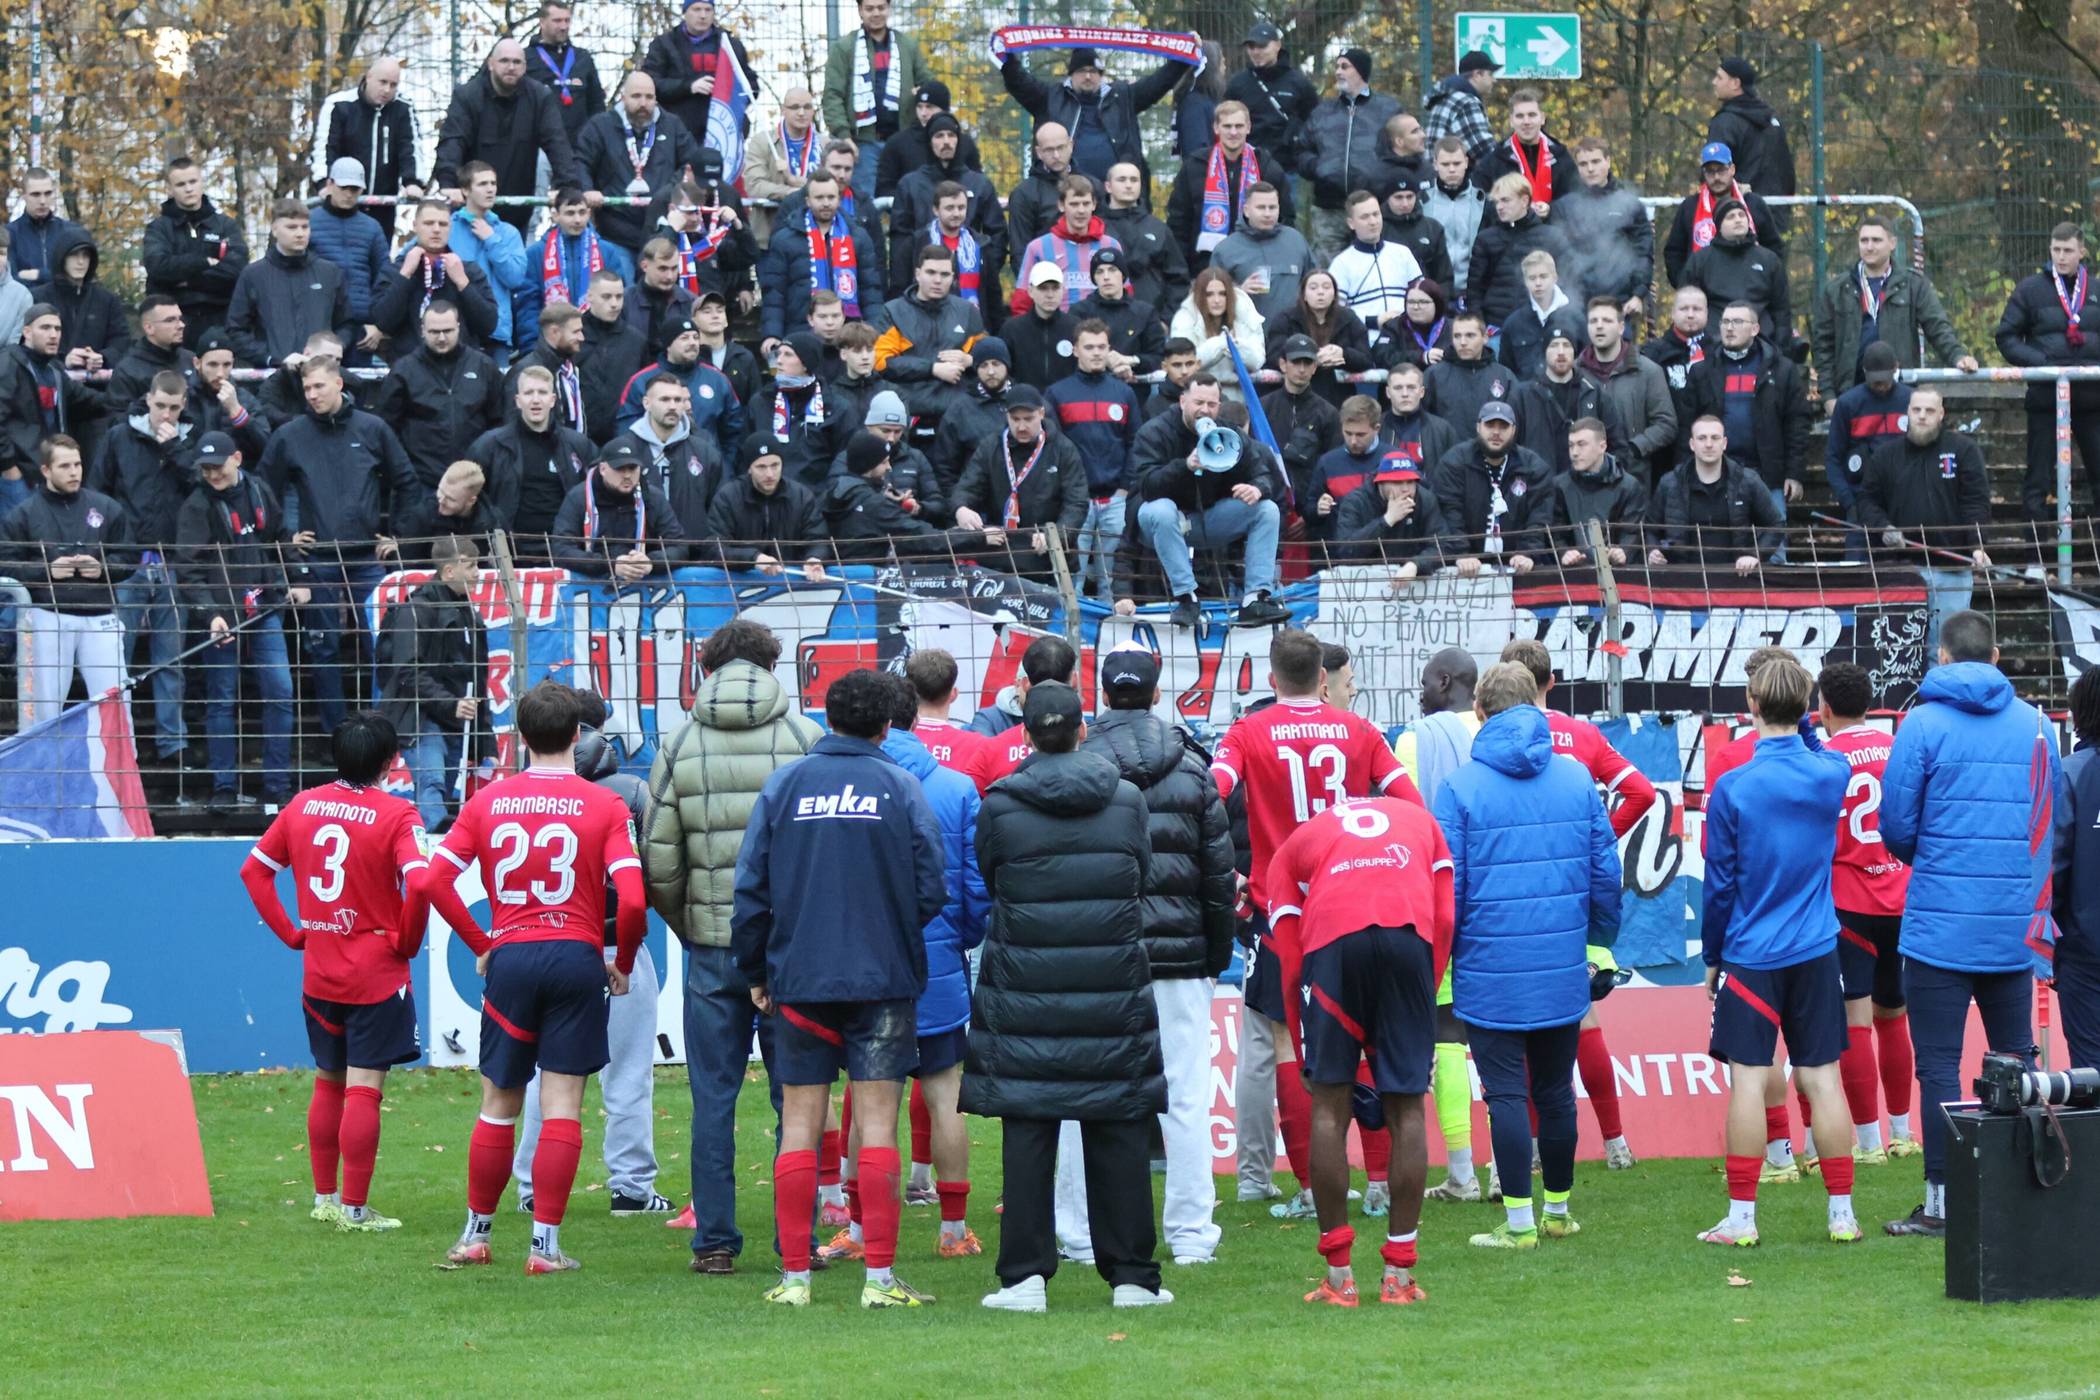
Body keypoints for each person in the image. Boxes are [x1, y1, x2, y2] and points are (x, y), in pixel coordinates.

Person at [725, 666, 945, 1308]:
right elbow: (932, 884)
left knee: (799, 1121)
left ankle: (794, 1278)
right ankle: (879, 1280)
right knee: (877, 1123)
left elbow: (750, 891)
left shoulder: (784, 785)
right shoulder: (901, 786)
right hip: (881, 979)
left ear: (826, 715)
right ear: (885, 725)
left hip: (800, 978)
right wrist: (889, 931)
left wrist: (756, 971)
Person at [417, 681, 647, 1274]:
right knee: (564, 1103)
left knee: (499, 1104)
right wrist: (620, 962)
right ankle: (544, 1246)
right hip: (576, 956)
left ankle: (476, 1235)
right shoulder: (606, 806)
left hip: (513, 958)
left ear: (520, 737)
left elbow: (432, 881)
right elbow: (636, 900)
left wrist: (483, 944)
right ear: (578, 735)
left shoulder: (488, 801)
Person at [968, 682, 1172, 1313]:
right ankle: (1133, 1277)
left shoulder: (1001, 804)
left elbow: (992, 875)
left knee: (1029, 1128)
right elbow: (1141, 871)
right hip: (1111, 983)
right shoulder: (1128, 800)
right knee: (1119, 1128)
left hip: (1026, 988)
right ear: (1084, 730)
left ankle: (1025, 1278)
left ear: (1025, 735)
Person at [1211, 629, 1424, 1222]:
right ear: (1324, 680)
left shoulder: (1248, 732)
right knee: (1369, 1036)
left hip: (1284, 909)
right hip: (1355, 898)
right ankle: (1380, 1181)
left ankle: (1309, 1188)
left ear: (1273, 680)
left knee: (1288, 1041)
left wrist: (1224, 871)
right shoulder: (1360, 732)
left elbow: (1211, 793)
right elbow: (1411, 804)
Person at [636, 618, 819, 1268]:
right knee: (795, 1093)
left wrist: (691, 926)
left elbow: (658, 858)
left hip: (712, 947)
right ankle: (798, 1238)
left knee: (713, 1096)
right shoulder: (804, 738)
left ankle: (714, 1241)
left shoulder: (681, 744)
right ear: (772, 663)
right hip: (788, 950)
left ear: (708, 665)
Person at [1881, 610, 2062, 1237]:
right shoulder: (2040, 725)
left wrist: (1937, 859)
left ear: (1942, 657)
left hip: (1938, 928)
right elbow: (2049, 822)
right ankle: (2017, 1192)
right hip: (2014, 928)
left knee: (1937, 1066)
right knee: (2017, 1061)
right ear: (1997, 654)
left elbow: (1896, 826)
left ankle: (1941, 1202)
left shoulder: (1922, 723)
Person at [1430, 662, 1619, 1250]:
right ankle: (1557, 1210)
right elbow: (1605, 873)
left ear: (1481, 714)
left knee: (1507, 1095)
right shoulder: (1575, 778)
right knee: (1556, 1092)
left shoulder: (1460, 787)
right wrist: (1600, 937)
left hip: (1488, 968)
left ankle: (1519, 1224)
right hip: (1560, 965)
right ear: (1536, 707)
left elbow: (1446, 890)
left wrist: (1443, 956)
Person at [1075, 644, 1235, 1266]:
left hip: (1100, 955)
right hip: (1178, 958)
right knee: (1188, 1096)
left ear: (1104, 694)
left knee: (1081, 1096)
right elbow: (1217, 877)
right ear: (1157, 692)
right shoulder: (1193, 767)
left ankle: (1081, 1234)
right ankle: (1191, 1236)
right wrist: (1211, 957)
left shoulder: (1079, 763)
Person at [239, 711, 428, 1232]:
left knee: (328, 1082)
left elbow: (254, 870)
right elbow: (422, 883)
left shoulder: (303, 804)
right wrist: (407, 942)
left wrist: (292, 933)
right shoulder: (398, 815)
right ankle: (356, 1209)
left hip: (320, 973)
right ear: (391, 762)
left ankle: (325, 1199)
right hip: (374, 974)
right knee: (365, 1087)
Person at [1697, 654, 1859, 1246]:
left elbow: (1719, 884)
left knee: (1747, 1080)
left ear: (1753, 706)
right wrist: (1804, 717)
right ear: (1808, 708)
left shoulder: (1733, 787)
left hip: (1752, 952)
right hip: (1817, 950)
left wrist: (1712, 955)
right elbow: (1817, 746)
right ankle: (1842, 1215)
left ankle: (1742, 1220)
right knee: (1822, 1079)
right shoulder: (1829, 772)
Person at [1269, 787, 1450, 1306]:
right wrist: (1422, 997)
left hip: (1332, 946)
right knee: (1407, 1107)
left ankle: (1339, 1278)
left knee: (1329, 1106)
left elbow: (1287, 950)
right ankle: (1398, 1275)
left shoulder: (1303, 837)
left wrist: (1306, 1047)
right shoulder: (1420, 821)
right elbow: (1444, 920)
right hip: (1409, 942)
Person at [1498, 637, 1657, 1170]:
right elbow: (1642, 792)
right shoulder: (1580, 734)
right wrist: (1598, 840)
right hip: (1576, 887)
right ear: (1550, 683)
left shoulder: (1494, 739)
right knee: (1580, 1013)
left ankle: (1539, 1151)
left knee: (1519, 1020)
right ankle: (1616, 1143)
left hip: (1519, 886)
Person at [865, 673, 990, 1257]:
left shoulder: (848, 787)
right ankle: (952, 1230)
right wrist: (956, 941)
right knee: (945, 1094)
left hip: (864, 963)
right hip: (935, 956)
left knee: (868, 1099)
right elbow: (971, 887)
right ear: (911, 720)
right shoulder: (957, 786)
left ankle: (863, 1230)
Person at [266, 356, 419, 730]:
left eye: (319, 386)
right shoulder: (290, 434)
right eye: (306, 389)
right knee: (323, 648)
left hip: (366, 554)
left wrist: (397, 535)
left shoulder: (373, 428)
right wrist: (286, 538)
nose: (312, 395)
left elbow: (408, 481)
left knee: (379, 646)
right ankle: (338, 735)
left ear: (339, 384)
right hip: (317, 557)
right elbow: (263, 491)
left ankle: (381, 730)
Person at [1816, 661, 1921, 1162]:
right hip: (1901, 898)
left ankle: (1869, 1142)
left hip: (1850, 902)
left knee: (1855, 1018)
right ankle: (1903, 1133)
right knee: (1894, 1013)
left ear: (1825, 708)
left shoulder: (1825, 757)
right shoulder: (1898, 748)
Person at [174, 432, 301, 806]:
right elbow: (188, 568)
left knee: (280, 692)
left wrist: (293, 578)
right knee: (221, 700)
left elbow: (278, 538)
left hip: (264, 609)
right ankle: (224, 787)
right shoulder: (196, 506)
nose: (212, 474)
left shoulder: (260, 490)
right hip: (223, 618)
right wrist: (210, 613)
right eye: (206, 468)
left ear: (238, 459)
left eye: (217, 466)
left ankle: (277, 785)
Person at [1124, 375, 1290, 630]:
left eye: (1211, 404)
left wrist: (1257, 488)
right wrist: (1184, 466)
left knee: (1266, 510)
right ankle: (1186, 598)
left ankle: (1254, 599)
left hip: (1206, 519)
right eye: (1198, 402)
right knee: (1162, 509)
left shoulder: (1229, 433)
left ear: (1219, 407)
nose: (1205, 410)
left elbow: (1264, 471)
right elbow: (1146, 486)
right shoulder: (1155, 431)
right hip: (1162, 523)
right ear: (1182, 401)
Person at [91, 370, 195, 772]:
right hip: (128, 562)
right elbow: (98, 492)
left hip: (172, 563)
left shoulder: (189, 441)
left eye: (174, 407)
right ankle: (118, 743)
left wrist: (176, 453)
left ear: (183, 404)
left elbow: (201, 490)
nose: (166, 415)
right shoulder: (119, 436)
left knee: (172, 661)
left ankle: (173, 745)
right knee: (118, 658)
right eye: (160, 406)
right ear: (147, 399)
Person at [3, 434, 135, 730]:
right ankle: (43, 775)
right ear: (46, 470)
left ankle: (119, 775)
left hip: (100, 616)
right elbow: (7, 563)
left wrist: (103, 568)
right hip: (48, 615)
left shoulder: (108, 507)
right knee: (44, 706)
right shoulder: (22, 514)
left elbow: (129, 556)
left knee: (115, 702)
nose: (74, 472)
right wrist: (46, 571)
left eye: (77, 464)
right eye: (64, 466)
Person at [1856, 387, 1992, 658]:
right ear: (1907, 412)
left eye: (1929, 411)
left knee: (1947, 651)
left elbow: (1975, 502)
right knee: (1900, 652)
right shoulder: (1885, 455)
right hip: (1901, 572)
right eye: (1916, 410)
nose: (1921, 416)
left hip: (1952, 569)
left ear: (1941, 414)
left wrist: (1977, 545)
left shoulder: (1964, 451)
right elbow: (1867, 501)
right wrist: (1883, 527)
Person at [377, 535, 493, 829]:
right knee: (433, 784)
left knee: (440, 788)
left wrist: (485, 737)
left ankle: (433, 849)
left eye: (477, 564)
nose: (477, 572)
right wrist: (451, 704)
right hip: (420, 716)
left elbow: (478, 678)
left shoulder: (470, 614)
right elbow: (407, 671)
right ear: (449, 571)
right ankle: (434, 854)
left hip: (455, 719)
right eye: (470, 565)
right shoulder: (416, 610)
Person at [1996, 221, 2100, 535]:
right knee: (2038, 479)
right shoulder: (2030, 288)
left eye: (2068, 250)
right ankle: (2035, 561)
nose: (2061, 256)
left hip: (2092, 399)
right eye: (2056, 250)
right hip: (2046, 398)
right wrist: (2043, 364)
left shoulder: (2096, 289)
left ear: (2081, 251)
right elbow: (2006, 337)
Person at [1686, 301, 1811, 547]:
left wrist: (1794, 474)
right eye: (1725, 322)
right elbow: (1687, 427)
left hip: (1769, 477)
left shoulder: (1783, 370)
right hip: (1716, 477)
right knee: (1719, 554)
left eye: (1737, 322)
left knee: (1774, 555)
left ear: (1755, 329)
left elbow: (1797, 424)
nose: (1729, 328)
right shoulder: (1702, 371)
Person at [1812, 219, 1974, 406]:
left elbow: (1937, 327)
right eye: (1864, 241)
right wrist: (1829, 397)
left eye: (1876, 240)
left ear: (1892, 243)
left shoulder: (1913, 285)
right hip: (1850, 393)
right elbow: (1823, 346)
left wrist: (1958, 356)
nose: (1869, 247)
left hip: (1899, 391)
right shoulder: (1837, 289)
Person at [432, 39, 582, 235]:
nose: (511, 67)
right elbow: (453, 141)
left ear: (525, 66)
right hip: (469, 206)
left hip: (517, 206)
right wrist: (448, 182)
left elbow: (557, 143)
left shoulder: (539, 97)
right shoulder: (467, 95)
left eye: (517, 62)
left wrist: (567, 186)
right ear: (491, 63)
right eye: (504, 61)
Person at [997, 43, 1183, 188]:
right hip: (1060, 193)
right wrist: (1006, 55)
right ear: (1071, 74)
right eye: (1082, 71)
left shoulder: (1123, 97)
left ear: (1101, 75)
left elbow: (1159, 82)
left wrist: (1183, 56)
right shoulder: (1050, 97)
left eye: (1093, 71)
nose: (1088, 76)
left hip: (1116, 197)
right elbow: (1018, 81)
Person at [951, 384, 1087, 582]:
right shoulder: (991, 446)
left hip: (1047, 559)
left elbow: (1077, 503)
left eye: (1028, 419)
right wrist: (960, 508)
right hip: (999, 558)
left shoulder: (1063, 449)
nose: (1021, 427)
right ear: (1006, 416)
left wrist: (1055, 536)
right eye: (1015, 419)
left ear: (1041, 414)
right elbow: (968, 485)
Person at [1047, 322, 1141, 600]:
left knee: (1112, 583)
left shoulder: (1124, 393)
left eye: (1102, 347)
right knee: (1071, 582)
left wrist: (1124, 488)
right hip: (1076, 501)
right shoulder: (1057, 393)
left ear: (1110, 349)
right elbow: (1055, 448)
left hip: (1115, 499)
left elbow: (1136, 442)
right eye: (1089, 347)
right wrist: (1070, 491)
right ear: (1075, 350)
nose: (1096, 353)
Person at [574, 72, 704, 263]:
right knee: (621, 290)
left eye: (649, 97)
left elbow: (691, 163)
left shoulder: (672, 125)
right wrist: (587, 190)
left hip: (661, 230)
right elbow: (581, 161)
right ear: (623, 97)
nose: (643, 103)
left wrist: (669, 192)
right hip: (616, 232)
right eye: (636, 96)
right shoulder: (600, 126)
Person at [376, 302, 507, 488]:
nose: (442, 337)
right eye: (434, 332)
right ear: (422, 330)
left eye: (448, 330)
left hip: (475, 480)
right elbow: (386, 429)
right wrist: (404, 474)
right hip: (420, 483)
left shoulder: (484, 366)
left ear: (458, 328)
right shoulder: (404, 371)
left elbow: (500, 423)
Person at [224, 198, 358, 371]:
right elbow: (235, 329)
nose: (300, 233)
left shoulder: (330, 273)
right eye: (292, 227)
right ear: (274, 229)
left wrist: (330, 352)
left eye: (305, 227)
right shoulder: (253, 275)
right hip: (273, 375)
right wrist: (270, 358)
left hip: (322, 374)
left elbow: (347, 324)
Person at [1425, 400, 1554, 577]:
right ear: (1478, 427)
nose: (1496, 432)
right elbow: (1449, 511)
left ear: (1514, 430)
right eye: (1489, 425)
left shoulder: (1534, 467)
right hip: (1464, 568)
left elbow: (1539, 516)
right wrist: (1461, 554)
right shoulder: (1454, 463)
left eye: (1503, 426)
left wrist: (1528, 553)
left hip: (1517, 568)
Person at [468, 364, 591, 541]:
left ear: (553, 400)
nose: (535, 400)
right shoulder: (489, 446)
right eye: (528, 393)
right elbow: (473, 499)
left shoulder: (578, 445)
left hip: (564, 550)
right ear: (518, 400)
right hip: (512, 552)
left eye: (542, 392)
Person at [758, 172, 881, 346]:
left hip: (850, 336)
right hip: (800, 333)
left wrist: (874, 329)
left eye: (831, 197)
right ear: (807, 201)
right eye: (819, 197)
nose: (826, 203)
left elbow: (871, 290)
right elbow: (774, 293)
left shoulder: (858, 237)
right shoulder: (784, 240)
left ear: (839, 199)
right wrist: (772, 334)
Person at [1300, 50, 1400, 262]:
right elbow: (1302, 149)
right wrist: (1318, 167)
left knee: (1373, 265)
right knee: (1328, 274)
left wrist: (1383, 178)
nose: (1338, 72)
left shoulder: (1388, 110)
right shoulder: (1322, 112)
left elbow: (1400, 150)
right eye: (1336, 67)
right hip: (1328, 207)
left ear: (1361, 71)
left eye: (1345, 67)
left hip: (1372, 207)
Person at [1649, 414, 1783, 572]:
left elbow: (1776, 524)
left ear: (1724, 443)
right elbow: (1650, 528)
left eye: (1715, 437)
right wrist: (1652, 551)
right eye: (1701, 438)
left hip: (1736, 578)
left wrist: (1755, 555)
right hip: (1682, 579)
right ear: (1692, 444)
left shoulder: (1748, 481)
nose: (1708, 444)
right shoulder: (1669, 483)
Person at [888, 135, 1006, 311]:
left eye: (961, 208)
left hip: (973, 323)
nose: (956, 213)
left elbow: (992, 293)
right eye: (950, 208)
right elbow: (900, 286)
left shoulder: (980, 245)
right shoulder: (917, 243)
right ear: (936, 210)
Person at [820, 0, 923, 201]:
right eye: (869, 8)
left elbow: (927, 83)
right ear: (860, 10)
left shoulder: (907, 46)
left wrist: (921, 93)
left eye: (881, 8)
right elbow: (832, 96)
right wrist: (844, 136)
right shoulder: (844, 48)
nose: (876, 13)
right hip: (862, 144)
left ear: (889, 9)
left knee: (908, 202)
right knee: (863, 204)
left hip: (903, 140)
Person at [1167, 102, 1291, 269]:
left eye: (1239, 126)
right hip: (1205, 267)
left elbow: (1286, 220)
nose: (1233, 132)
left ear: (1248, 127)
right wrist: (1182, 273)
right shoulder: (1194, 167)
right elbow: (1178, 222)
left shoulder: (1267, 168)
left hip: (1256, 265)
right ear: (1216, 128)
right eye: (1227, 126)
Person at [142, 156, 250, 347]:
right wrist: (206, 262)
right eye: (181, 184)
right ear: (170, 189)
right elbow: (158, 267)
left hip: (221, 320)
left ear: (202, 182)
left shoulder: (226, 226)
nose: (189, 188)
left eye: (193, 181)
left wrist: (187, 279)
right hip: (174, 323)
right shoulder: (158, 229)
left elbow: (236, 270)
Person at [871, 243, 985, 421]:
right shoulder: (893, 311)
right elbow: (882, 363)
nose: (938, 280)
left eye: (944, 274)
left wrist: (971, 360)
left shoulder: (968, 311)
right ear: (918, 274)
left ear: (953, 278)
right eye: (931, 272)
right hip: (908, 410)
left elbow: (991, 360)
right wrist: (932, 369)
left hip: (957, 414)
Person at [641, 0, 755, 174]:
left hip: (722, 134)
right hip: (676, 133)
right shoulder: (664, 44)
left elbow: (751, 87)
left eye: (708, 9)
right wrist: (688, 87)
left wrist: (727, 92)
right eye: (697, 9)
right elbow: (650, 84)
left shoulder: (731, 46)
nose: (703, 15)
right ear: (685, 12)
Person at [374, 200, 502, 353]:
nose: (436, 229)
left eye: (443, 224)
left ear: (450, 227)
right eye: (429, 223)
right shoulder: (394, 271)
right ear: (415, 226)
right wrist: (405, 275)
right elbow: (382, 322)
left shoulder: (469, 271)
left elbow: (488, 325)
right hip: (409, 369)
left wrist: (463, 283)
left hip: (460, 367)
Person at [550, 437, 687, 578]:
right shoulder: (578, 497)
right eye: (620, 468)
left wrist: (652, 562)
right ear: (603, 469)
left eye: (632, 468)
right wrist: (608, 564)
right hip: (591, 589)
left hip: (644, 588)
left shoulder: (653, 498)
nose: (627, 475)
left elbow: (679, 546)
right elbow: (561, 549)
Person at [2053, 669, 2100, 1074]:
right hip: (2083, 950)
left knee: (2091, 1072)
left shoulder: (2071, 772)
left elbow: (2054, 866)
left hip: (2086, 953)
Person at [319, 57, 423, 238]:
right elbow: (325, 147)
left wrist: (412, 182)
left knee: (378, 259)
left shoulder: (403, 108)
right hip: (342, 200)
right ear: (368, 77)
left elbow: (410, 147)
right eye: (383, 82)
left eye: (393, 85)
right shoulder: (339, 105)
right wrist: (323, 182)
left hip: (384, 205)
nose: (387, 90)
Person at [1575, 298, 1673, 488]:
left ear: (1621, 327)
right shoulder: (1575, 373)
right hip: (1581, 481)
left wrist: (1635, 448)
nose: (1599, 327)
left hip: (1632, 479)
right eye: (1593, 321)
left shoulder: (1648, 371)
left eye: (1607, 321)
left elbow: (1666, 424)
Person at [1466, 174, 1577, 340]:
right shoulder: (1486, 239)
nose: (1499, 207)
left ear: (1524, 201)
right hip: (1497, 329)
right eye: (1497, 202)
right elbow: (1474, 291)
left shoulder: (1552, 237)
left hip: (1543, 328)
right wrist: (1479, 327)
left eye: (1505, 200)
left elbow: (1570, 282)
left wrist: (1561, 321)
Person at [1662, 142, 1784, 286]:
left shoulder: (1753, 204)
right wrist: (1685, 286)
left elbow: (1774, 247)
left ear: (1732, 169)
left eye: (1721, 170)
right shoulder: (1690, 207)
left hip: (1750, 290)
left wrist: (1766, 283)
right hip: (1702, 293)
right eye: (1710, 172)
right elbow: (1674, 252)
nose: (1716, 177)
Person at [1554, 139, 1649, 322]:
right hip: (1575, 304)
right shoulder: (1564, 207)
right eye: (1583, 164)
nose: (1590, 169)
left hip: (1620, 302)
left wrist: (1638, 294)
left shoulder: (1629, 205)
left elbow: (1643, 253)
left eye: (1595, 161)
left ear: (1608, 161)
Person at [308, 160, 392, 359]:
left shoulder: (372, 227)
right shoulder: (308, 223)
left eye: (354, 189)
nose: (348, 194)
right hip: (318, 321)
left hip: (360, 327)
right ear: (330, 184)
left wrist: (379, 324)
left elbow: (384, 279)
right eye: (343, 187)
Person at [1680, 200, 1790, 346]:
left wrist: (1781, 342)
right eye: (1730, 217)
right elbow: (1687, 305)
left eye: (1741, 215)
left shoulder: (1768, 259)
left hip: (1762, 340)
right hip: (1713, 341)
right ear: (1719, 225)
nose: (1738, 220)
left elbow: (1781, 308)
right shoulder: (1701, 260)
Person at [1208, 183, 1308, 322]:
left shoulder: (1296, 241)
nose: (1267, 213)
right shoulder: (1225, 250)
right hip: (1245, 333)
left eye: (1272, 207)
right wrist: (1238, 292)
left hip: (1292, 333)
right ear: (1246, 210)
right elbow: (1211, 297)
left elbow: (1313, 281)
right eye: (1261, 207)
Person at [1551, 417, 1645, 566]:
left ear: (1602, 446)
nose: (1574, 452)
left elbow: (1632, 533)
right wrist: (1564, 552)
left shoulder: (1629, 486)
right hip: (1573, 574)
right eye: (1571, 445)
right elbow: (1555, 532)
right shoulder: (1559, 486)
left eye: (1582, 445)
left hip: (1618, 575)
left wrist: (1623, 551)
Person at [1706, 58, 1795, 216]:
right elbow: (1788, 175)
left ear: (1735, 83)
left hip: (1736, 214)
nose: (1714, 82)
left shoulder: (1725, 123)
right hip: (1775, 213)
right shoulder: (1773, 122)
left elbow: (1714, 170)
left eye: (1719, 77)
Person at [1099, 161, 1189, 317]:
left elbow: (1178, 278)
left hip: (1153, 319)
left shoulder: (1158, 228)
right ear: (1108, 186)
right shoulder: (1096, 227)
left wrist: (1166, 319)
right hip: (1105, 318)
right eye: (1122, 180)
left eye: (1134, 180)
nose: (1128, 185)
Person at [1263, 334, 1343, 503]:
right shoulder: (1263, 408)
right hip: (1269, 498)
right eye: (1295, 362)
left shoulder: (1328, 413)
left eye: (1307, 363)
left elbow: (1332, 464)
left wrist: (1313, 509)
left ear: (1315, 367)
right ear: (1283, 364)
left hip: (1313, 504)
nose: (1301, 369)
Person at [874, 82, 985, 201]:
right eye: (919, 106)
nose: (923, 113)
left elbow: (977, 185)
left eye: (929, 107)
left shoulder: (964, 144)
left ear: (944, 109)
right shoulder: (897, 143)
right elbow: (884, 189)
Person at [1227, 21, 1317, 166]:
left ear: (1277, 45)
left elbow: (1314, 120)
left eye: (1262, 46)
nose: (1256, 51)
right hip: (1246, 166)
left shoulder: (1299, 83)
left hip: (1288, 167)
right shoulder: (1237, 84)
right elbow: (1225, 121)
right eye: (1251, 47)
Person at [1474, 87, 1575, 215]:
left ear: (1542, 118)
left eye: (1532, 115)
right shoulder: (1495, 159)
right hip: (1509, 232)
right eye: (1520, 116)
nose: (1526, 122)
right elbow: (1479, 199)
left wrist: (1551, 209)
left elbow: (1575, 197)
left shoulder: (1560, 156)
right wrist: (1510, 210)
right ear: (1511, 120)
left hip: (1554, 230)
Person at [746, 87, 827, 244]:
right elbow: (754, 186)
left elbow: (833, 186)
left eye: (807, 107)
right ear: (783, 110)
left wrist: (796, 183)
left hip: (818, 236)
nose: (801, 112)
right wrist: (792, 192)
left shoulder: (825, 144)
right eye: (795, 107)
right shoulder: (762, 142)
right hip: (771, 236)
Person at [1168, 268, 1265, 398]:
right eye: (1209, 294)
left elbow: (1257, 360)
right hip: (1198, 393)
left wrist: (1235, 346)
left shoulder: (1243, 310)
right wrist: (1222, 343)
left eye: (1222, 294)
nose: (1217, 300)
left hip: (1239, 394)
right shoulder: (1185, 317)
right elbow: (1183, 361)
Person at [1074, 247, 1165, 380]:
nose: (1106, 277)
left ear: (1122, 275)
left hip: (1134, 386)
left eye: (1112, 270)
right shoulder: (1079, 311)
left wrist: (1131, 360)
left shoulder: (1144, 312)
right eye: (1099, 272)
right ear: (1094, 278)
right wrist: (1104, 360)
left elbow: (1158, 357)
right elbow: (1072, 355)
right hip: (1089, 385)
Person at [45, 228, 129, 372]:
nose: (81, 262)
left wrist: (102, 358)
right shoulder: (40, 297)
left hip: (98, 382)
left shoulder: (107, 300)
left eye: (86, 255)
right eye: (74, 255)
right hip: (54, 382)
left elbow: (121, 340)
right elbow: (30, 345)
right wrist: (63, 360)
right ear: (62, 257)